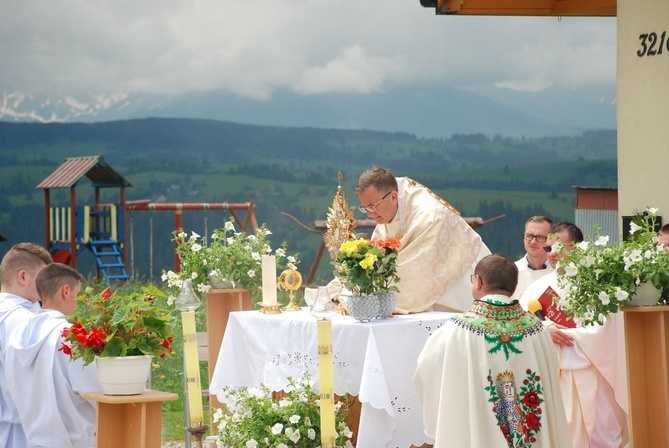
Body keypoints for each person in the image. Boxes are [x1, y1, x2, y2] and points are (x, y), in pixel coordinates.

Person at [413, 254, 572, 447]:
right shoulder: (538, 329)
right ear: (514, 287)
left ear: (478, 282)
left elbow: (426, 371)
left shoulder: (455, 330)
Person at [521, 222, 630, 448]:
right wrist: (544, 330)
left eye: (559, 247)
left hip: (591, 372)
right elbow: (522, 323)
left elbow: (607, 329)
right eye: (549, 248)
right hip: (552, 375)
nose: (552, 254)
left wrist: (568, 338)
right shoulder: (537, 288)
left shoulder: (598, 284)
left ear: (578, 248)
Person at [355, 166, 491, 313]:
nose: (369, 214)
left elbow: (414, 275)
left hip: (461, 282)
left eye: (372, 207)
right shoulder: (388, 206)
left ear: (394, 197)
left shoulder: (429, 216)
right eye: (365, 208)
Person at [6, 262, 100, 448]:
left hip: (32, 440)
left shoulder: (16, 336)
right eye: (78, 294)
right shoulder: (70, 336)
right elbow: (95, 391)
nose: (78, 301)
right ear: (66, 291)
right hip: (75, 441)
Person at [0, 242, 52, 447]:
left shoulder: (30, 314)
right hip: (21, 429)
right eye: (43, 278)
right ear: (22, 276)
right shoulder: (23, 320)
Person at [512, 215, 554, 300]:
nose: (533, 241)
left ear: (550, 240)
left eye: (540, 237)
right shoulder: (511, 272)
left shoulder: (559, 273)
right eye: (529, 235)